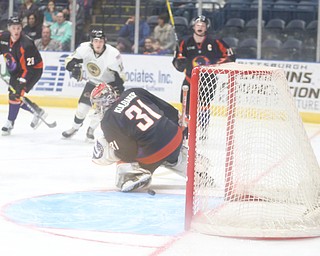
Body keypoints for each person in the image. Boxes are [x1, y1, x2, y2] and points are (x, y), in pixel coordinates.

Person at [91, 83, 187, 192]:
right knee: (170, 151)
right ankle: (192, 168)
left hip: (152, 154)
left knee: (114, 151)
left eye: (97, 105)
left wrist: (128, 160)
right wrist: (181, 130)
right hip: (175, 137)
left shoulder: (107, 121)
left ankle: (131, 176)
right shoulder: (134, 92)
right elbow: (169, 110)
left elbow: (127, 152)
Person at [172, 15, 236, 138]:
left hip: (208, 79)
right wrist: (179, 62)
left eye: (203, 25)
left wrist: (219, 64)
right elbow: (177, 60)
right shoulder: (184, 42)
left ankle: (203, 130)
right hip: (190, 79)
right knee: (186, 106)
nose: (200, 27)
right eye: (198, 25)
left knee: (204, 105)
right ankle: (186, 130)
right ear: (193, 26)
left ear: (207, 27)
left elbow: (230, 56)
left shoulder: (215, 41)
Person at [62, 29, 125, 141]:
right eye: (96, 41)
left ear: (104, 41)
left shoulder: (113, 54)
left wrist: (117, 89)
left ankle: (91, 130)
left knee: (100, 111)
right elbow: (68, 62)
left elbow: (120, 77)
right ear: (91, 41)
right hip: (92, 82)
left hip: (108, 85)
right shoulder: (84, 48)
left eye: (101, 41)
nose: (98, 44)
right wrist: (74, 68)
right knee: (82, 109)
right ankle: (75, 128)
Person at [0, 16, 45, 136]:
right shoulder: (3, 37)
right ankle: (36, 110)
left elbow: (29, 69)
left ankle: (10, 122)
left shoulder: (26, 44)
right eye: (13, 28)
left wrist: (21, 83)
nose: (16, 31)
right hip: (18, 70)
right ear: (9, 28)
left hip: (33, 71)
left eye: (18, 28)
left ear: (21, 28)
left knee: (16, 94)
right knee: (14, 94)